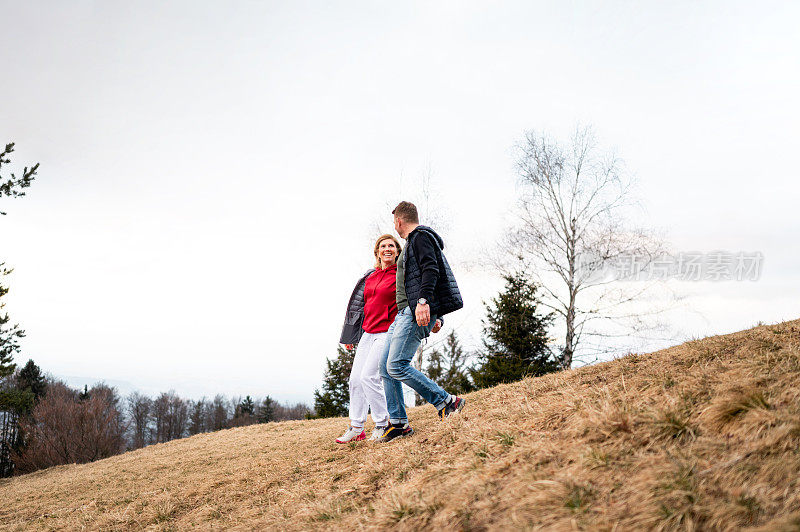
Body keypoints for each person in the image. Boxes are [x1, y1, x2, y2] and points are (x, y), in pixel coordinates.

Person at [336, 234, 442, 443]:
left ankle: (383, 423)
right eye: (383, 246)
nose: (387, 249)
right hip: (368, 332)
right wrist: (350, 334)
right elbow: (358, 307)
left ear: (397, 251)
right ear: (377, 251)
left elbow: (422, 293)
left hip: (389, 331)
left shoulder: (402, 275)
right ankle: (357, 427)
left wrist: (438, 319)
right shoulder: (370, 276)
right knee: (355, 380)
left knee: (369, 377)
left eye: (391, 245)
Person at [378, 201, 465, 443]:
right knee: (385, 368)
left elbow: (431, 269)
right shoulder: (412, 243)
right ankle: (399, 424)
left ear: (398, 221)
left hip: (413, 311)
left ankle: (448, 402)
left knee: (396, 365)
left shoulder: (420, 236)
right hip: (403, 313)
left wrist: (426, 303)